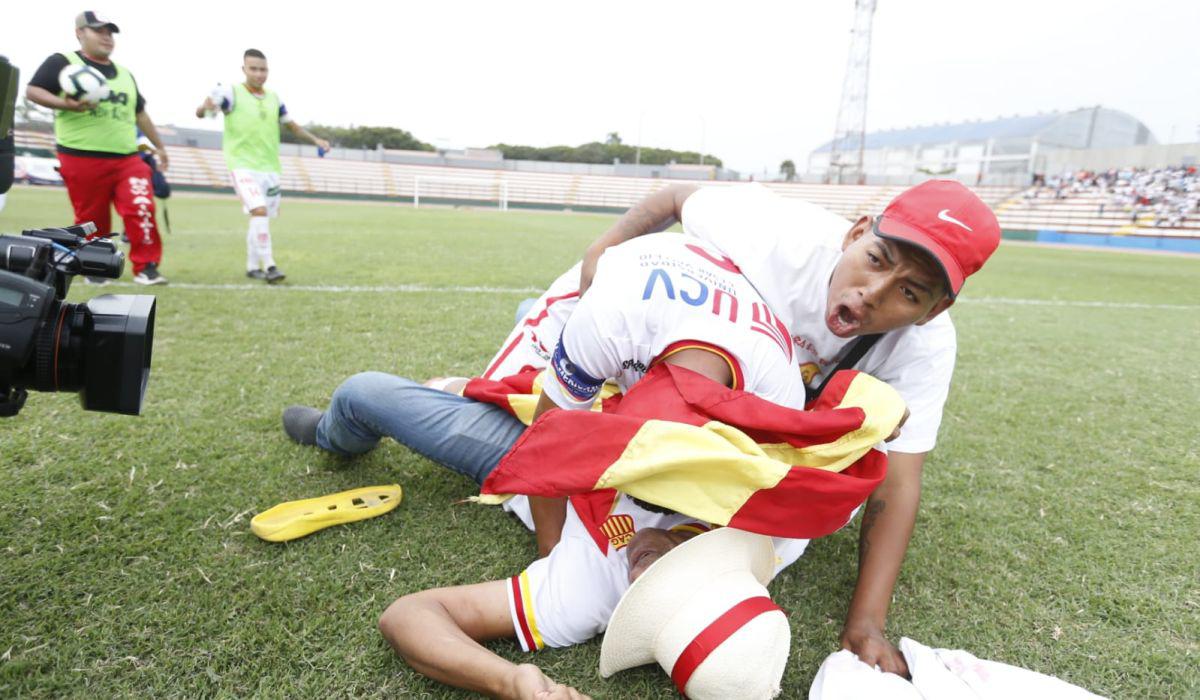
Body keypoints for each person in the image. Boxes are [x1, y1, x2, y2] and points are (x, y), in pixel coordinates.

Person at [302, 233, 872, 697]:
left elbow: (409, 616)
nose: (642, 568)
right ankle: (504, 361)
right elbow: (860, 439)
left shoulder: (589, 595)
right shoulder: (777, 514)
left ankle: (342, 430)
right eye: (679, 574)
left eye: (650, 597)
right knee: (549, 333)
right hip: (619, 372)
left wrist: (513, 680)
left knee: (362, 393)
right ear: (725, 568)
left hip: (543, 449)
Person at [485, 179, 1000, 677]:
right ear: (856, 232)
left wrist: (866, 624)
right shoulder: (778, 234)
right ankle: (497, 351)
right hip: (644, 360)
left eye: (909, 293)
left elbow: (898, 479)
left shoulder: (926, 349)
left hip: (724, 419)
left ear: (937, 309)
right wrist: (606, 246)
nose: (871, 294)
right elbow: (675, 197)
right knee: (503, 439)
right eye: (875, 260)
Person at [25, 11, 169, 285]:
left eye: (110, 32)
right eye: (98, 30)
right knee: (92, 219)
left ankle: (147, 266)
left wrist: (160, 147)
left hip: (128, 158)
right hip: (81, 156)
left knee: (141, 207)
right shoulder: (63, 63)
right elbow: (33, 91)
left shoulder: (125, 74)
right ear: (80, 33)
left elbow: (140, 114)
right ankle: (96, 266)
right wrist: (66, 104)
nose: (106, 37)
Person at [195, 49, 331, 283]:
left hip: (269, 167)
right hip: (241, 164)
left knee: (260, 216)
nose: (259, 74)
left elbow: (292, 126)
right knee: (258, 210)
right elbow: (204, 111)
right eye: (254, 69)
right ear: (244, 69)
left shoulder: (274, 98)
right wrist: (204, 107)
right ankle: (270, 266)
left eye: (263, 69)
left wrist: (316, 139)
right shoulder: (231, 93)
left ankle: (251, 266)